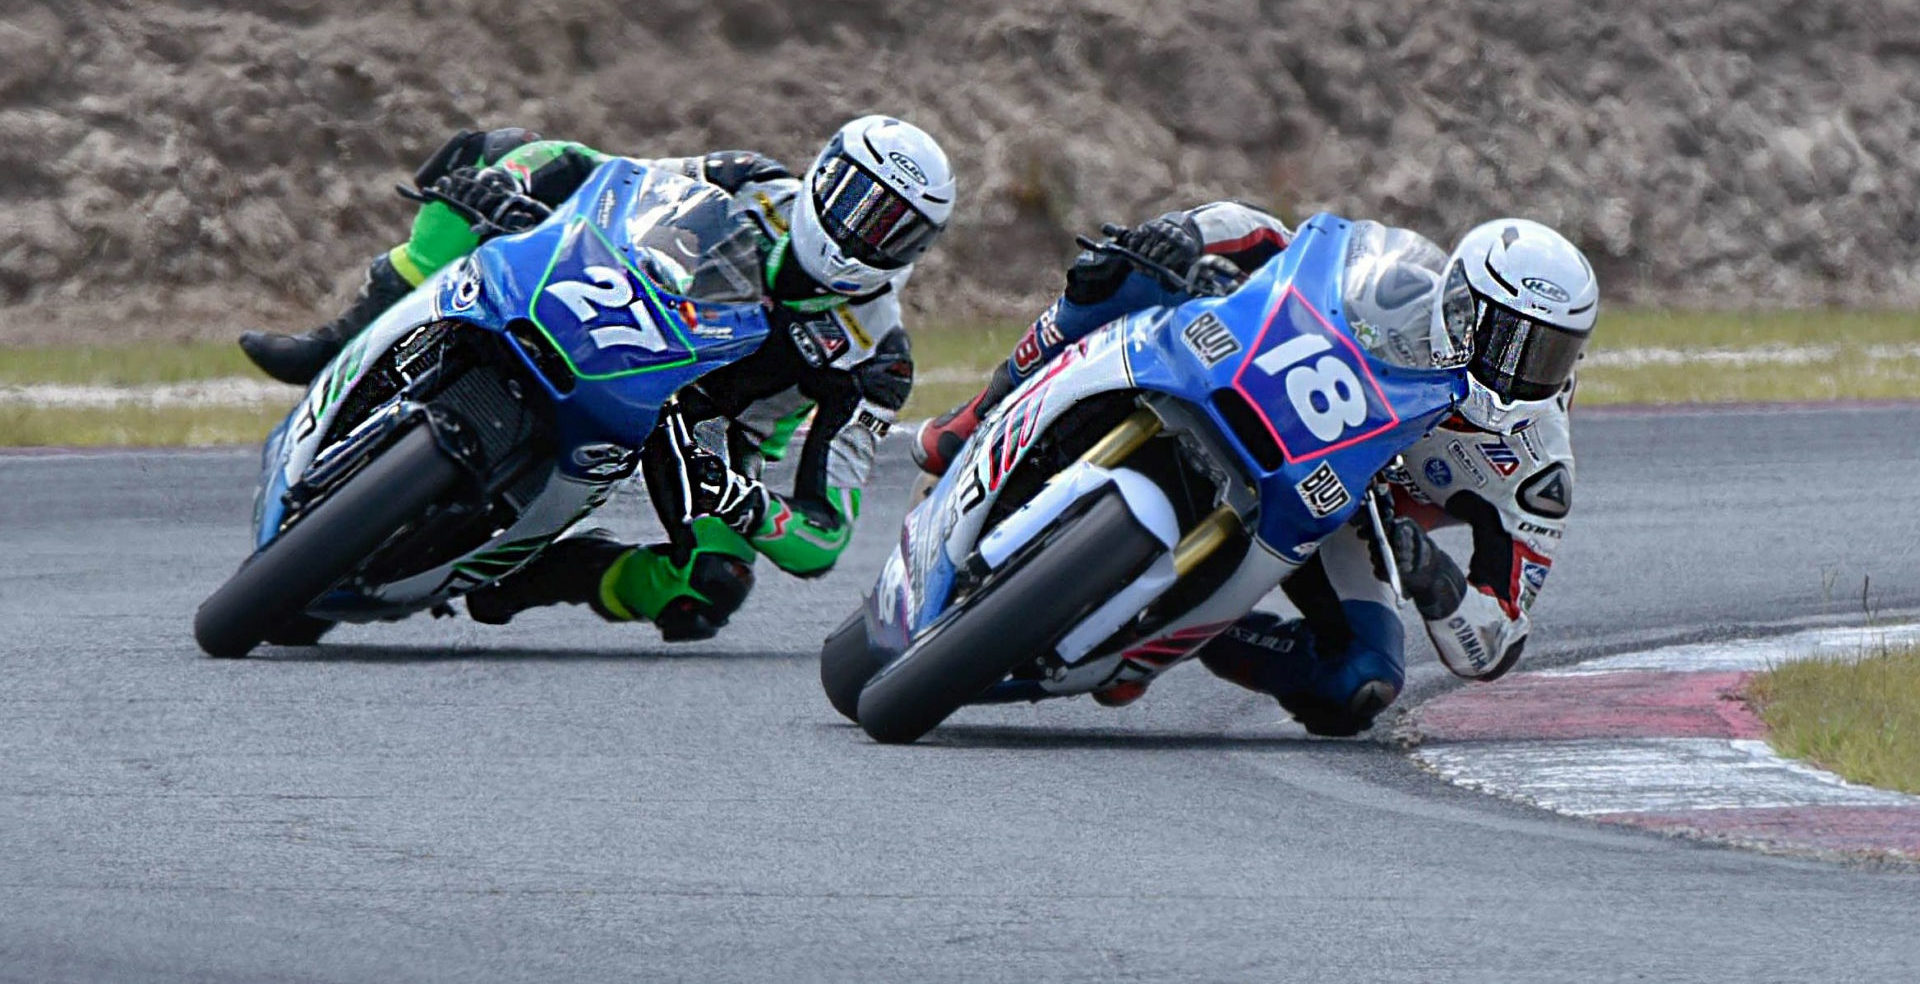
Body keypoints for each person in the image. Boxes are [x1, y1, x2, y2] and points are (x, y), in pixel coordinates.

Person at [248, 117, 956, 641]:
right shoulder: (749, 179)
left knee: (707, 592)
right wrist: (513, 191)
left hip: (707, 434)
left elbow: (824, 533)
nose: (860, 231)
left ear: (914, 250)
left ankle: (550, 573)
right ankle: (337, 342)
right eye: (853, 201)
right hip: (632, 322)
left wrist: (742, 504)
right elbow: (612, 178)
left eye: (889, 227)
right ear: (823, 173)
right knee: (494, 153)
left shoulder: (876, 356)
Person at [912, 204, 1596, 735]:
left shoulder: (1536, 469)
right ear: (1459, 303)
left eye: (1545, 355)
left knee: (1361, 683)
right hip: (1250, 382)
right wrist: (1184, 233)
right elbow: (1275, 237)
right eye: (1502, 337)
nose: (1513, 374)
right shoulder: (1401, 289)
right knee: (1126, 271)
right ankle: (974, 418)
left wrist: (1437, 579)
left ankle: (1162, 636)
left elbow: (1498, 641)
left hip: (1345, 513)